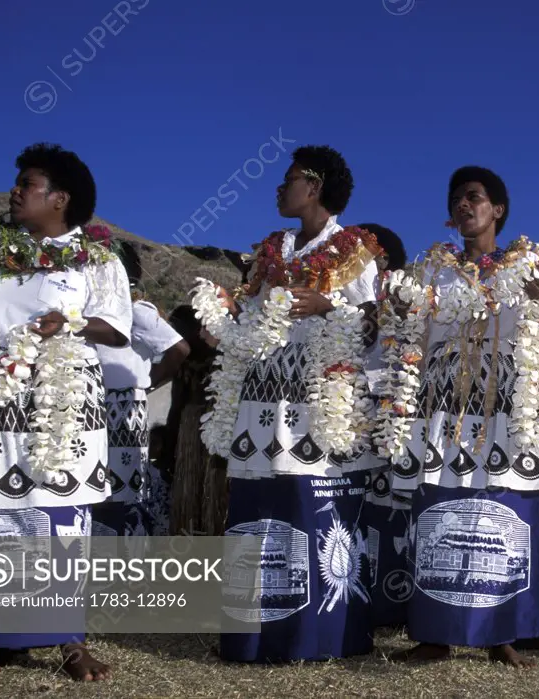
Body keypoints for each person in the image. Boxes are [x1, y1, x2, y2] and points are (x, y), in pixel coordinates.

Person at [0, 143, 133, 680]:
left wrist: (71, 322)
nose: (14, 191)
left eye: (27, 184)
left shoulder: (98, 259)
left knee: (59, 509)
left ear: (60, 199)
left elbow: (117, 325)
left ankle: (70, 642)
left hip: (61, 400)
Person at [386, 166, 539, 668]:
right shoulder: (432, 267)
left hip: (504, 394)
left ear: (498, 210)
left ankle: (501, 634)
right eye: (456, 200)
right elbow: (412, 327)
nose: (463, 206)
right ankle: (434, 634)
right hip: (442, 395)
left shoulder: (527, 262)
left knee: (500, 499)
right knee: (440, 499)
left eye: (474, 197)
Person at [214, 145, 385, 663]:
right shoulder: (271, 250)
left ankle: (319, 637)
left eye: (288, 179)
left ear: (313, 188)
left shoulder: (355, 249)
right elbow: (251, 313)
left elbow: (377, 325)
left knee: (311, 502)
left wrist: (329, 304)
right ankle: (253, 636)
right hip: (264, 392)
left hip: (319, 393)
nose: (278, 187)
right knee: (261, 502)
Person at [92, 242, 189, 537]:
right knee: (96, 489)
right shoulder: (93, 315)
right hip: (94, 407)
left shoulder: (135, 312)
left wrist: (146, 382)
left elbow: (179, 349)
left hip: (123, 411)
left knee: (121, 491)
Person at [355, 222, 412, 629]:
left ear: (383, 258)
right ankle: (361, 591)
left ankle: (395, 599)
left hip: (396, 401)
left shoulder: (396, 291)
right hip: (357, 401)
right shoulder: (353, 287)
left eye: (362, 251)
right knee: (363, 498)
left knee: (394, 500)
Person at [164, 303, 226, 536]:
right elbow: (175, 409)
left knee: (209, 499)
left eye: (178, 330)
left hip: (210, 438)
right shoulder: (190, 364)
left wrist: (169, 450)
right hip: (193, 439)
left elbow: (176, 408)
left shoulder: (220, 361)